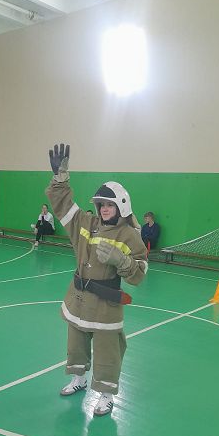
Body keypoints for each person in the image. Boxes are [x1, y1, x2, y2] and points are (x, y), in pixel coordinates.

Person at [46, 144, 148, 416]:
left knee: (107, 352)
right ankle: (78, 379)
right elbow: (63, 206)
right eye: (101, 204)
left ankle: (105, 395)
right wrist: (60, 179)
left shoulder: (129, 236)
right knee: (76, 343)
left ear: (121, 206)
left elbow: (140, 273)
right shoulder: (86, 224)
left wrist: (123, 261)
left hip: (105, 306)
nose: (104, 208)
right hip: (79, 300)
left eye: (109, 204)